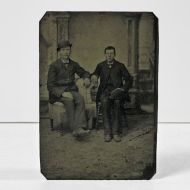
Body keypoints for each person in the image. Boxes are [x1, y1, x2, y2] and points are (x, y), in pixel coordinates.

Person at [47, 40, 91, 138]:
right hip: (58, 93)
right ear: (59, 52)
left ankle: (80, 127)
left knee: (80, 98)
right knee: (69, 100)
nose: (66, 52)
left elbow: (84, 72)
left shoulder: (73, 64)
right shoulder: (54, 66)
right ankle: (74, 129)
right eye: (63, 50)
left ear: (70, 51)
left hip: (71, 90)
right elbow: (50, 85)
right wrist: (62, 93)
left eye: (68, 50)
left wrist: (86, 77)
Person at [91, 46, 133, 142]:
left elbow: (129, 79)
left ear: (114, 54)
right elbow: (95, 74)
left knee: (117, 104)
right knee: (105, 103)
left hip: (117, 91)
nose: (109, 55)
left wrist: (122, 89)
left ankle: (116, 133)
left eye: (111, 53)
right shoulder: (100, 65)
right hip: (104, 91)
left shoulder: (120, 65)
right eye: (107, 53)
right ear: (105, 55)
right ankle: (107, 133)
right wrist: (94, 77)